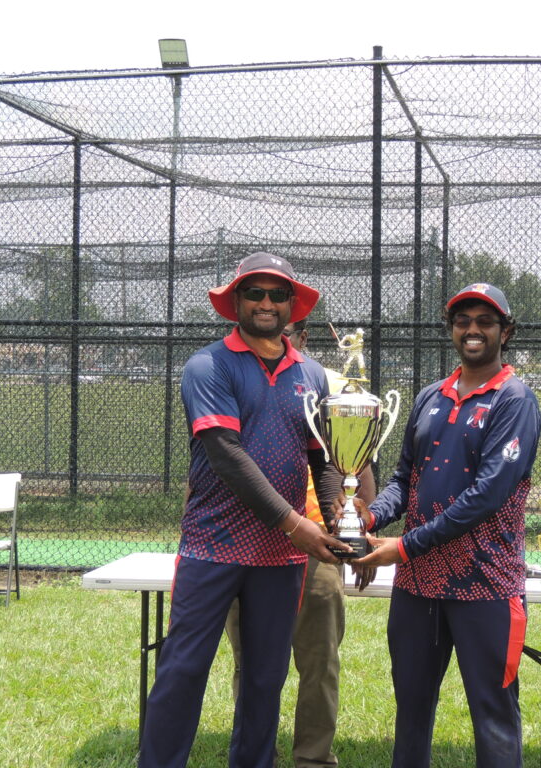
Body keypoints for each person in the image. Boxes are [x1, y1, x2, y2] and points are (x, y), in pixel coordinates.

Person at [137, 252, 347, 768]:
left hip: (279, 559)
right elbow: (227, 456)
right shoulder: (208, 365)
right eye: (255, 293)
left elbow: (322, 457)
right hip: (215, 547)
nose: (267, 303)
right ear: (236, 301)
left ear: (292, 306)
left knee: (264, 679)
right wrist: (295, 523)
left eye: (278, 295)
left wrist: (339, 514)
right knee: (183, 669)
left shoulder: (313, 375)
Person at [353, 282, 541, 768]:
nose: (473, 329)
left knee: (493, 715)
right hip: (419, 587)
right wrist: (369, 515)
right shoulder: (430, 396)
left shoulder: (514, 400)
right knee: (412, 712)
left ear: (506, 331)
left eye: (485, 321)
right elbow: (403, 479)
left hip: (485, 586)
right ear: (451, 329)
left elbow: (486, 496)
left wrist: (402, 547)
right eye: (463, 320)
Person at [224, 318, 376, 768]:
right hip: (246, 544)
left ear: (304, 337)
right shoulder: (232, 377)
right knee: (250, 664)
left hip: (314, 548)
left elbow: (357, 470)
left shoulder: (329, 385)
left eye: (291, 330)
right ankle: (256, 756)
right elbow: (218, 459)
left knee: (320, 664)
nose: (279, 336)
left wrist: (356, 530)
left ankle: (313, 759)